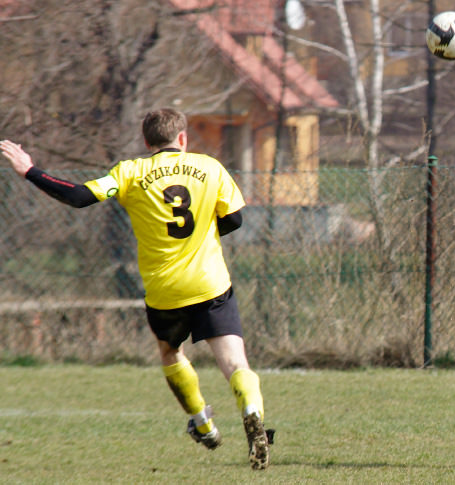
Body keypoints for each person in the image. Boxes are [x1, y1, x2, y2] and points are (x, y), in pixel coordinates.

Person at [0, 108, 272, 470]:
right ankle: (251, 412)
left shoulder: (130, 172)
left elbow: (80, 196)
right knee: (236, 362)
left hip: (164, 290)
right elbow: (235, 219)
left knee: (170, 352)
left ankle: (203, 424)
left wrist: (30, 171)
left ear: (146, 142)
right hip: (210, 283)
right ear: (183, 139)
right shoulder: (209, 167)